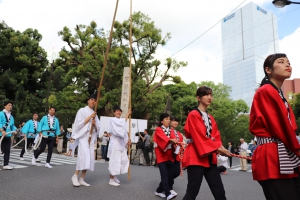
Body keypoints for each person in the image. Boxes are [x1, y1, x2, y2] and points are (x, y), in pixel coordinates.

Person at [250, 53, 300, 200]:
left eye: (288, 62)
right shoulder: (266, 91)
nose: (287, 64)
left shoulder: (278, 94)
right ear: (268, 70)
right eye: (281, 62)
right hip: (272, 153)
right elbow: (281, 127)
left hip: (283, 151)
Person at [182, 86, 231, 200]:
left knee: (219, 192)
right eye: (206, 94)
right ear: (198, 98)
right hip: (196, 158)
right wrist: (219, 149)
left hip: (210, 159)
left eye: (211, 95)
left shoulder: (210, 118)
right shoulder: (193, 114)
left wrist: (222, 148)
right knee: (192, 192)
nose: (210, 97)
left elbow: (216, 137)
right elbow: (200, 137)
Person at [70, 93, 101, 187]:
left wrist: (94, 123)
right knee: (83, 156)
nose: (93, 101)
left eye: (95, 100)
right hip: (83, 137)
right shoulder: (82, 110)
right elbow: (78, 124)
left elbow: (98, 128)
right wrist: (90, 117)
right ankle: (75, 176)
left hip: (91, 138)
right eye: (92, 99)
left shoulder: (95, 114)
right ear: (88, 100)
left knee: (90, 158)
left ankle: (82, 178)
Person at [154, 113, 178, 200]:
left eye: (169, 119)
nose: (168, 120)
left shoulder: (171, 131)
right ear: (161, 121)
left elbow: (173, 140)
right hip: (161, 155)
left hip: (169, 155)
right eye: (166, 119)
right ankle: (168, 194)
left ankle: (159, 191)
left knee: (170, 175)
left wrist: (178, 143)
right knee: (164, 174)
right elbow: (163, 138)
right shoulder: (158, 129)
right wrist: (171, 140)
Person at [107, 105, 131, 186]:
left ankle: (115, 176)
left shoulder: (122, 121)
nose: (118, 112)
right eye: (117, 111)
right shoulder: (112, 120)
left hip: (121, 144)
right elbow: (119, 129)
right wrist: (127, 115)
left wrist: (127, 140)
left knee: (121, 161)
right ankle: (111, 179)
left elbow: (124, 132)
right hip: (115, 143)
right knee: (114, 161)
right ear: (114, 113)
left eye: (119, 111)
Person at [0, 101, 17, 170]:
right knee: (1, 150)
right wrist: (2, 130)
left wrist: (15, 130)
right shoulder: (0, 114)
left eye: (11, 105)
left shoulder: (11, 116)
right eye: (9, 105)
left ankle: (6, 164)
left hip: (8, 135)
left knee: (7, 150)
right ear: (5, 106)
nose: (10, 106)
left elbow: (12, 126)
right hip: (1, 135)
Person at [169, 116, 183, 196]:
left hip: (177, 155)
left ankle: (165, 183)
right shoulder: (167, 131)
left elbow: (181, 142)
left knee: (177, 172)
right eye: (173, 121)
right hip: (170, 154)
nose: (175, 122)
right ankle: (169, 188)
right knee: (170, 172)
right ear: (170, 122)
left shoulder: (179, 133)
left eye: (176, 121)